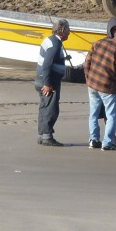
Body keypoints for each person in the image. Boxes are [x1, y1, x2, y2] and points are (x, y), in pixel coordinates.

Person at [83, 17, 116, 151]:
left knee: (93, 114)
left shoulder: (98, 43)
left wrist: (87, 78)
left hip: (92, 84)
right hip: (108, 88)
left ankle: (93, 139)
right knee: (112, 115)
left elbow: (87, 62)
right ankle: (107, 142)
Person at [35, 19, 70, 147]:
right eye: (68, 30)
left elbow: (50, 60)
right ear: (61, 30)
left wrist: (64, 58)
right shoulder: (55, 43)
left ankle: (42, 135)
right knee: (51, 108)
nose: (69, 33)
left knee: (44, 107)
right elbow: (47, 64)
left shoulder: (50, 40)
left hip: (42, 79)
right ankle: (47, 136)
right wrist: (47, 84)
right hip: (48, 81)